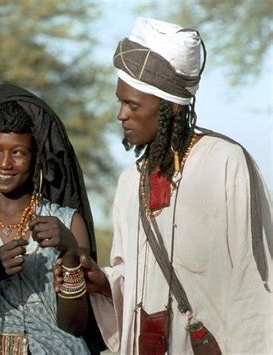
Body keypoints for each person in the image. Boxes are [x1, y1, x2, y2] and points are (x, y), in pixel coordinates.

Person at [55, 17, 272, 354]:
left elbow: (253, 282)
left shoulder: (225, 163)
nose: (121, 115)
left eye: (132, 105)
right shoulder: (131, 182)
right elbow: (134, 282)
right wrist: (104, 284)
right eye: (120, 102)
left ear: (169, 107)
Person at [0, 84, 104, 354]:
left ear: (35, 160)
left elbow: (74, 324)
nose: (4, 163)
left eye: (18, 153)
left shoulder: (68, 223)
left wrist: (71, 252)